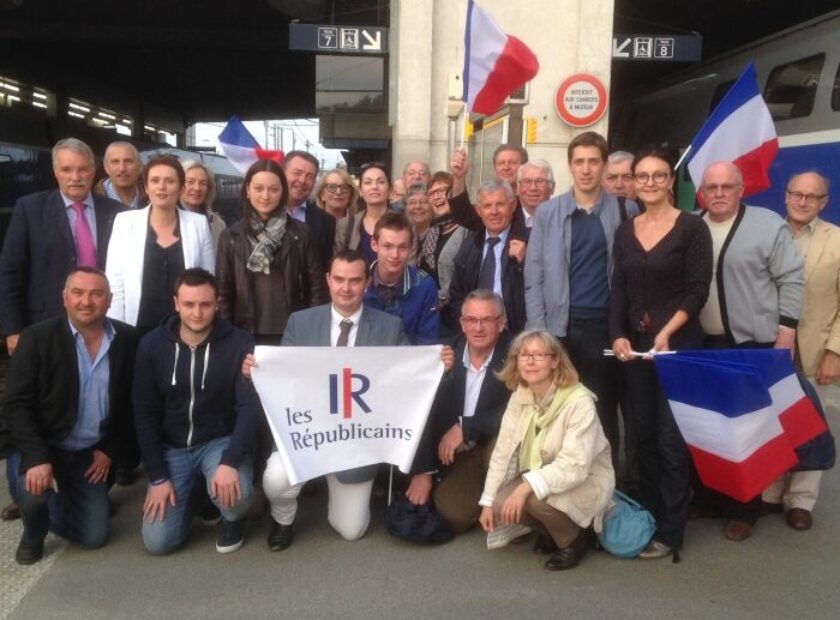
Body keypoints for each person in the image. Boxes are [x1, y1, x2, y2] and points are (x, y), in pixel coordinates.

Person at [0, 137, 124, 519]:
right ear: (55, 172)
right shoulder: (30, 209)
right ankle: (27, 485)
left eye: (83, 169)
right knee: (38, 402)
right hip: (43, 328)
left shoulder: (115, 212)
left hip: (103, 323)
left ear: (94, 171)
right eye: (67, 169)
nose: (76, 176)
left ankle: (91, 481)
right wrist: (13, 328)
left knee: (96, 397)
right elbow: (10, 272)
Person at [259, 250, 411, 549]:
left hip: (356, 441)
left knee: (351, 530)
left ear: (367, 283)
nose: (346, 288)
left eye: (355, 280)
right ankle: (283, 516)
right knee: (275, 479)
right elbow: (282, 376)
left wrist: (438, 366)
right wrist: (256, 369)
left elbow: (410, 377)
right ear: (328, 280)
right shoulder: (300, 322)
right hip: (307, 431)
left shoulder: (388, 328)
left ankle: (333, 488)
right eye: (339, 279)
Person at [610, 149, 713, 559]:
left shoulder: (691, 229)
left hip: (678, 348)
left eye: (658, 175)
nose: (649, 182)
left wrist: (668, 332)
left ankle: (672, 532)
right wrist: (618, 334)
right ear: (633, 182)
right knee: (645, 436)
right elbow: (619, 287)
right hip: (637, 349)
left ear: (671, 181)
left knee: (672, 441)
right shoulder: (625, 230)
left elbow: (698, 288)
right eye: (642, 176)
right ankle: (650, 515)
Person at [694, 161, 803, 542]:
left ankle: (745, 507)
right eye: (712, 187)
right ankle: (710, 498)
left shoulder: (767, 224)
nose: (719, 193)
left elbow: (791, 278)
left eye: (727, 186)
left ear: (741, 189)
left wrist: (786, 333)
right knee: (707, 426)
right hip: (703, 344)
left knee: (747, 429)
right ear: (702, 192)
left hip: (751, 343)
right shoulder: (693, 225)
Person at [524, 131, 639, 474]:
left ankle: (605, 493)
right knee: (557, 412)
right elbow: (534, 276)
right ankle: (557, 493)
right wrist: (539, 332)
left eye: (593, 161)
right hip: (561, 328)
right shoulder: (549, 212)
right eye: (579, 162)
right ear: (570, 166)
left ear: (603, 166)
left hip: (606, 327)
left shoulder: (625, 209)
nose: (586, 169)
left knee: (600, 413)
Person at [3, 268, 136, 564]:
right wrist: (37, 457)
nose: (86, 301)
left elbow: (131, 403)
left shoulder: (127, 340)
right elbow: (16, 404)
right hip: (42, 445)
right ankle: (33, 531)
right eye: (77, 293)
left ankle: (56, 505)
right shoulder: (37, 338)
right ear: (64, 298)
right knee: (34, 493)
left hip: (88, 453)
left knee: (94, 536)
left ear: (109, 300)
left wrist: (109, 449)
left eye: (96, 293)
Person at [133, 269, 256, 555]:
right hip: (172, 447)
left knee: (237, 496)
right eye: (189, 304)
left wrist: (230, 461)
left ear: (217, 303)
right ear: (176, 303)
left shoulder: (239, 343)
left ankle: (231, 517)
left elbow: (248, 409)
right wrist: (157, 476)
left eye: (205, 304)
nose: (197, 313)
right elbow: (144, 413)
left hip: (219, 441)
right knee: (158, 542)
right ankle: (194, 495)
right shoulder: (151, 346)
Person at [478, 330, 614, 571]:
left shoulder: (579, 402)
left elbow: (575, 466)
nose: (530, 361)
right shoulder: (521, 395)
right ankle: (553, 530)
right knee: (501, 503)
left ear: (555, 361)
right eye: (523, 355)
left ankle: (576, 539)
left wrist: (523, 487)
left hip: (584, 479)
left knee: (532, 499)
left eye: (539, 355)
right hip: (541, 474)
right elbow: (502, 452)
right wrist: (487, 502)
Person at [763, 171, 839, 531]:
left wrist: (834, 352)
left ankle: (801, 500)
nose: (803, 201)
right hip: (771, 346)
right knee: (773, 421)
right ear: (786, 196)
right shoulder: (767, 232)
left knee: (809, 425)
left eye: (812, 196)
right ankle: (773, 491)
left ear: (824, 201)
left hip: (811, 348)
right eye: (797, 194)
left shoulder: (836, 241)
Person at [405, 290, 511, 533]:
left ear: (502, 323)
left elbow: (517, 409)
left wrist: (466, 427)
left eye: (487, 320)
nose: (479, 327)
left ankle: (504, 500)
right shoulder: (443, 353)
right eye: (472, 320)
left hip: (495, 441)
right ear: (462, 324)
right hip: (461, 452)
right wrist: (423, 469)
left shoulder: (516, 354)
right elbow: (418, 408)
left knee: (504, 445)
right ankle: (482, 494)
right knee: (453, 514)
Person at [216, 159, 327, 343]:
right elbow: (223, 292)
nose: (265, 196)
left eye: (273, 189)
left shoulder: (301, 233)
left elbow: (316, 286)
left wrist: (312, 327)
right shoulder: (231, 236)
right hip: (245, 330)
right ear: (247, 190)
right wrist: (227, 335)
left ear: (283, 192)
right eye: (258, 188)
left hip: (293, 329)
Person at [105, 153, 215, 333]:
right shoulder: (125, 222)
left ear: (180, 188)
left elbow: (209, 279)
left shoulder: (198, 224)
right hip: (136, 329)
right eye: (155, 180)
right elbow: (114, 282)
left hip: (185, 330)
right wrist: (118, 330)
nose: (162, 187)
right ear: (147, 188)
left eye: (170, 181)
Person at [449, 179, 528, 334]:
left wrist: (524, 263)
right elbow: (456, 296)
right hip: (475, 334)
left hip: (516, 334)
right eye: (487, 206)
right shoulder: (469, 245)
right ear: (478, 210)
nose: (494, 212)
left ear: (513, 206)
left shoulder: (527, 243)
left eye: (500, 204)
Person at [364, 212, 438, 345]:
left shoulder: (425, 286)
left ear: (410, 247)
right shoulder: (359, 282)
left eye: (402, 247)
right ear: (374, 244)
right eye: (388, 246)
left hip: (407, 362)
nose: (395, 255)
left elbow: (427, 342)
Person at [448, 144, 530, 237]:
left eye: (513, 163)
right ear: (495, 169)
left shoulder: (532, 203)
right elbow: (463, 214)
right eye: (501, 163)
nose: (506, 167)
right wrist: (459, 177)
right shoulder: (488, 200)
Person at [418, 171, 469, 314]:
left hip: (460, 311)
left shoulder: (468, 229)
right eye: (431, 193)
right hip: (433, 312)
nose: (436, 196)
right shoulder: (430, 233)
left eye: (442, 190)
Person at [284, 150, 336, 273]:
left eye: (310, 177)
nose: (302, 180)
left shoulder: (326, 222)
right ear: (282, 173)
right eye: (297, 173)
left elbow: (324, 267)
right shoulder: (257, 212)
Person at [334, 162, 392, 266]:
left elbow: (409, 267)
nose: (374, 187)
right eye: (368, 182)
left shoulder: (405, 223)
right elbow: (339, 265)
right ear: (360, 190)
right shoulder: (346, 225)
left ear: (390, 189)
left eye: (381, 182)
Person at [180, 159, 226, 249]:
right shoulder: (168, 220)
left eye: (203, 183)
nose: (197, 188)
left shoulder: (218, 224)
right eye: (190, 182)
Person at [94, 141, 146, 209]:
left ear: (140, 166)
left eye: (128, 161)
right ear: (106, 167)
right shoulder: (91, 200)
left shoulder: (152, 198)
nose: (122, 168)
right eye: (115, 162)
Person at [516, 159, 556, 228]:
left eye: (539, 181)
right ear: (518, 188)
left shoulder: (563, 219)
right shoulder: (506, 219)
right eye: (527, 181)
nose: (533, 188)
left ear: (552, 188)